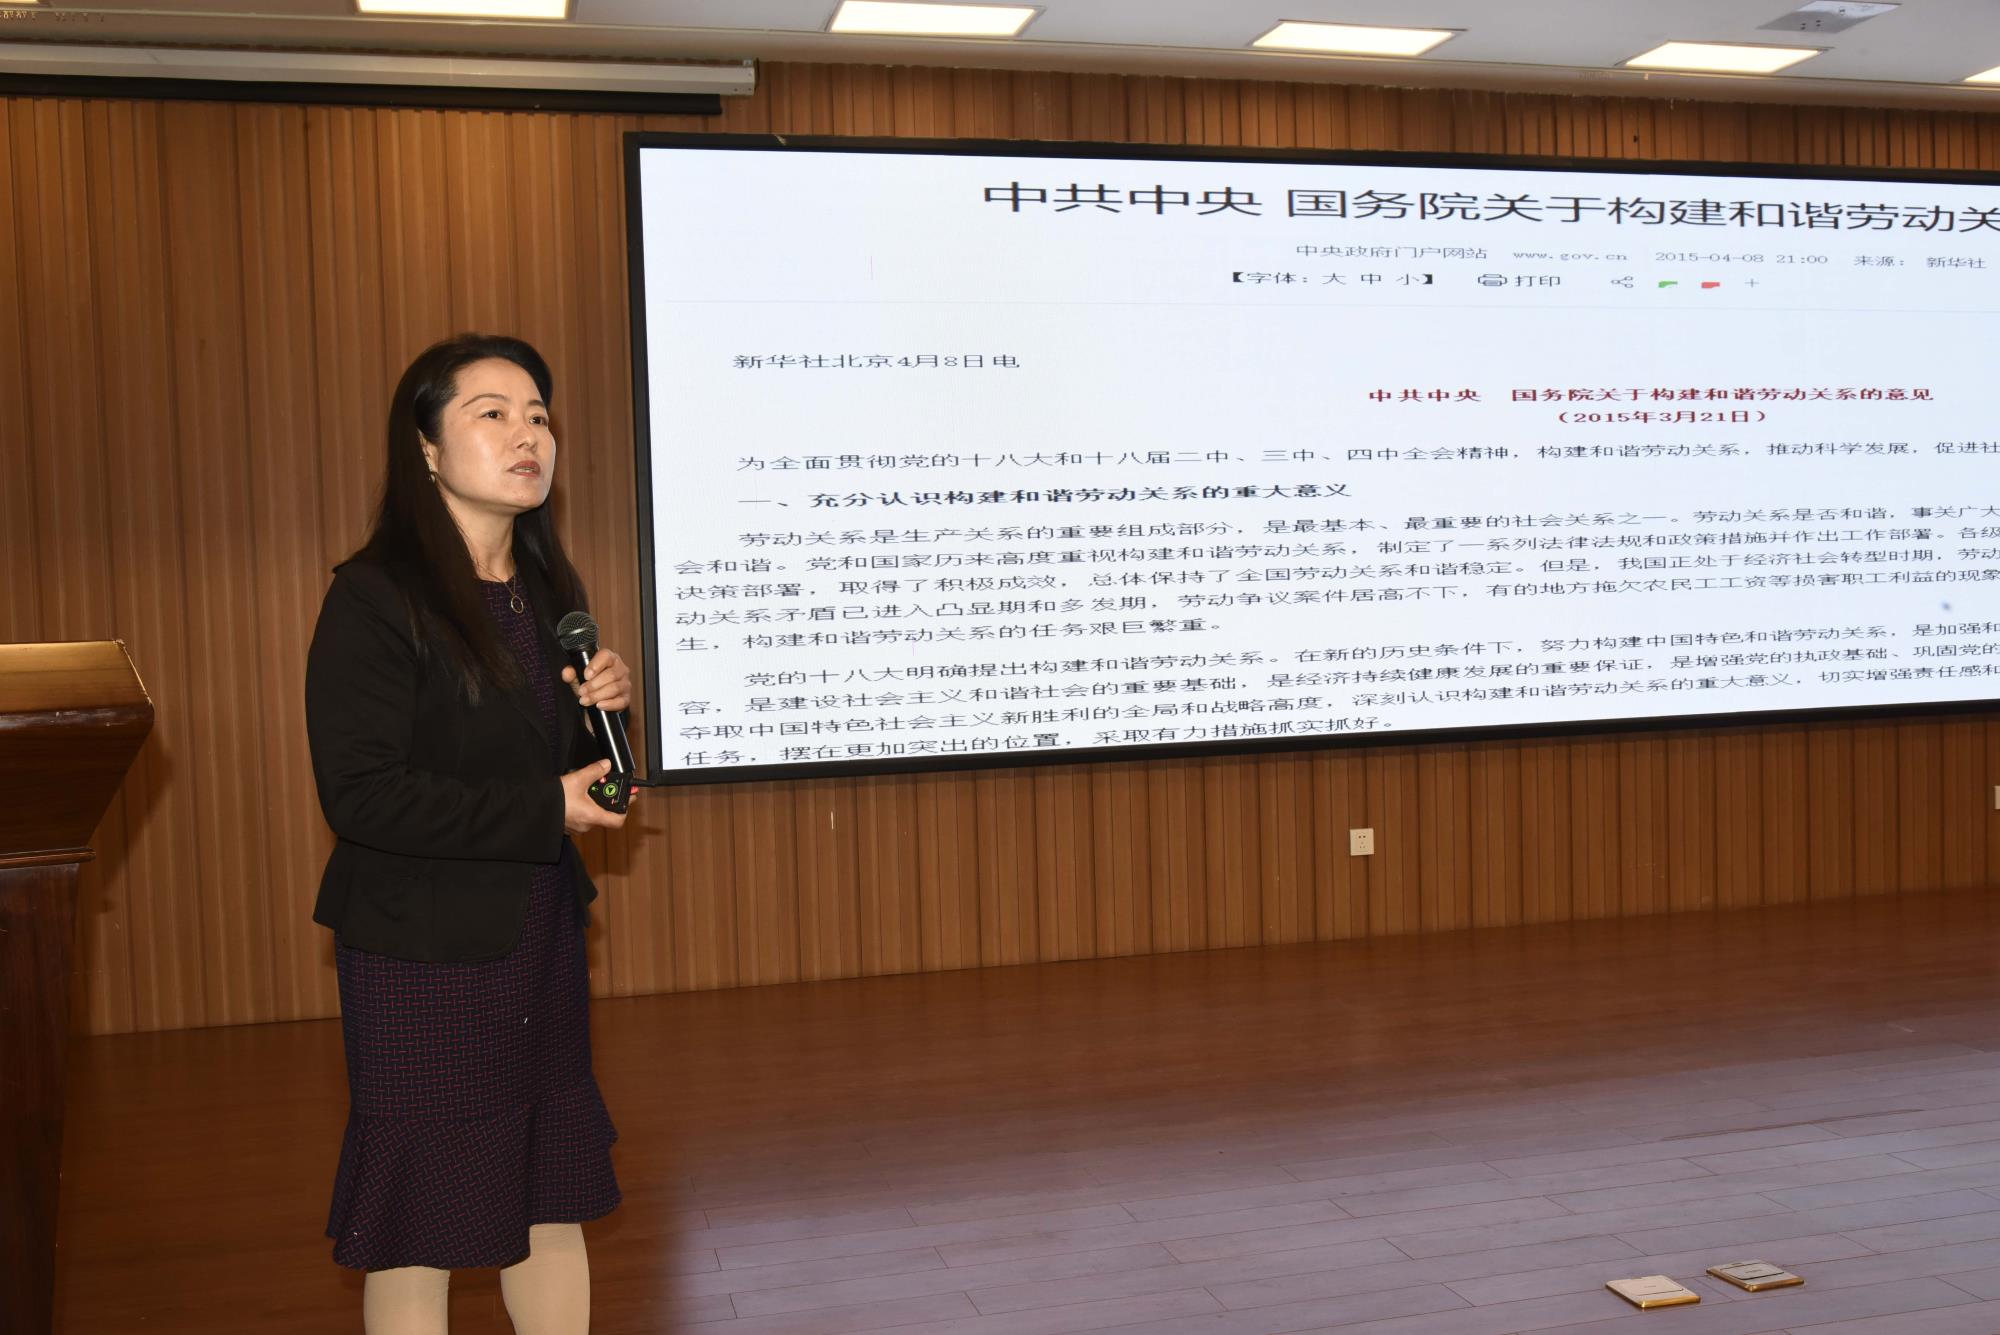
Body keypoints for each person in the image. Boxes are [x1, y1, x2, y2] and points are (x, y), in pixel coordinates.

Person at [304, 333, 634, 1335]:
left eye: (537, 415)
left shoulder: (550, 597)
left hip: (537, 932)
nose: (527, 433)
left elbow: (557, 770)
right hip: (422, 953)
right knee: (422, 1217)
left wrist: (605, 719)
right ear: (427, 448)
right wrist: (547, 806)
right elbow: (362, 794)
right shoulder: (374, 597)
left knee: (548, 1190)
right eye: (491, 413)